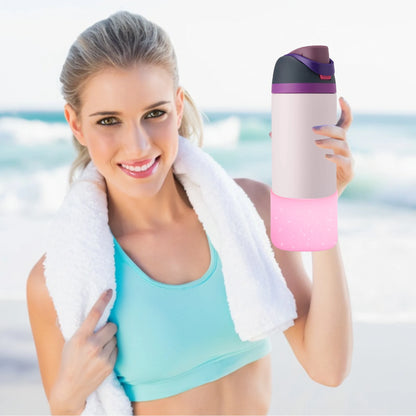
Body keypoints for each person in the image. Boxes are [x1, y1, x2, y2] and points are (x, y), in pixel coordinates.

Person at [26, 11, 354, 416]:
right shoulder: (54, 282)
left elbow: (328, 367)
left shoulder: (249, 212)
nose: (138, 145)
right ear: (76, 124)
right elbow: (67, 411)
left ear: (178, 106)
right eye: (108, 121)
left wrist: (321, 202)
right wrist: (66, 397)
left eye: (154, 114)